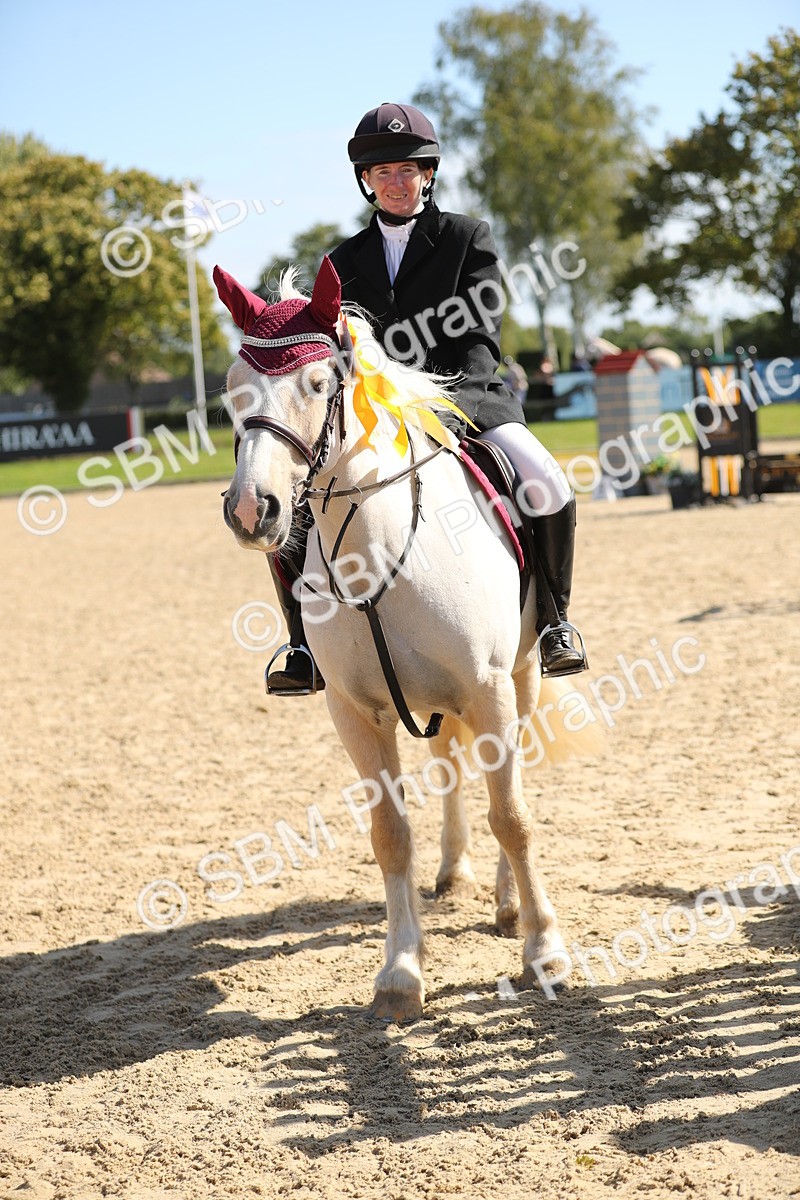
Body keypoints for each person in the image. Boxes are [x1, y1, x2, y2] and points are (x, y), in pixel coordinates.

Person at [267, 102, 587, 693]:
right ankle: (300, 646)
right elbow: (331, 351)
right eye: (382, 172)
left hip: (465, 399)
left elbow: (479, 335)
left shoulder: (467, 238)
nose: (395, 181)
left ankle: (555, 623)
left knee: (545, 478)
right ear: (366, 180)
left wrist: (436, 401)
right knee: (299, 504)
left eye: (406, 170)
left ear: (428, 174)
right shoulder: (340, 261)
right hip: (370, 414)